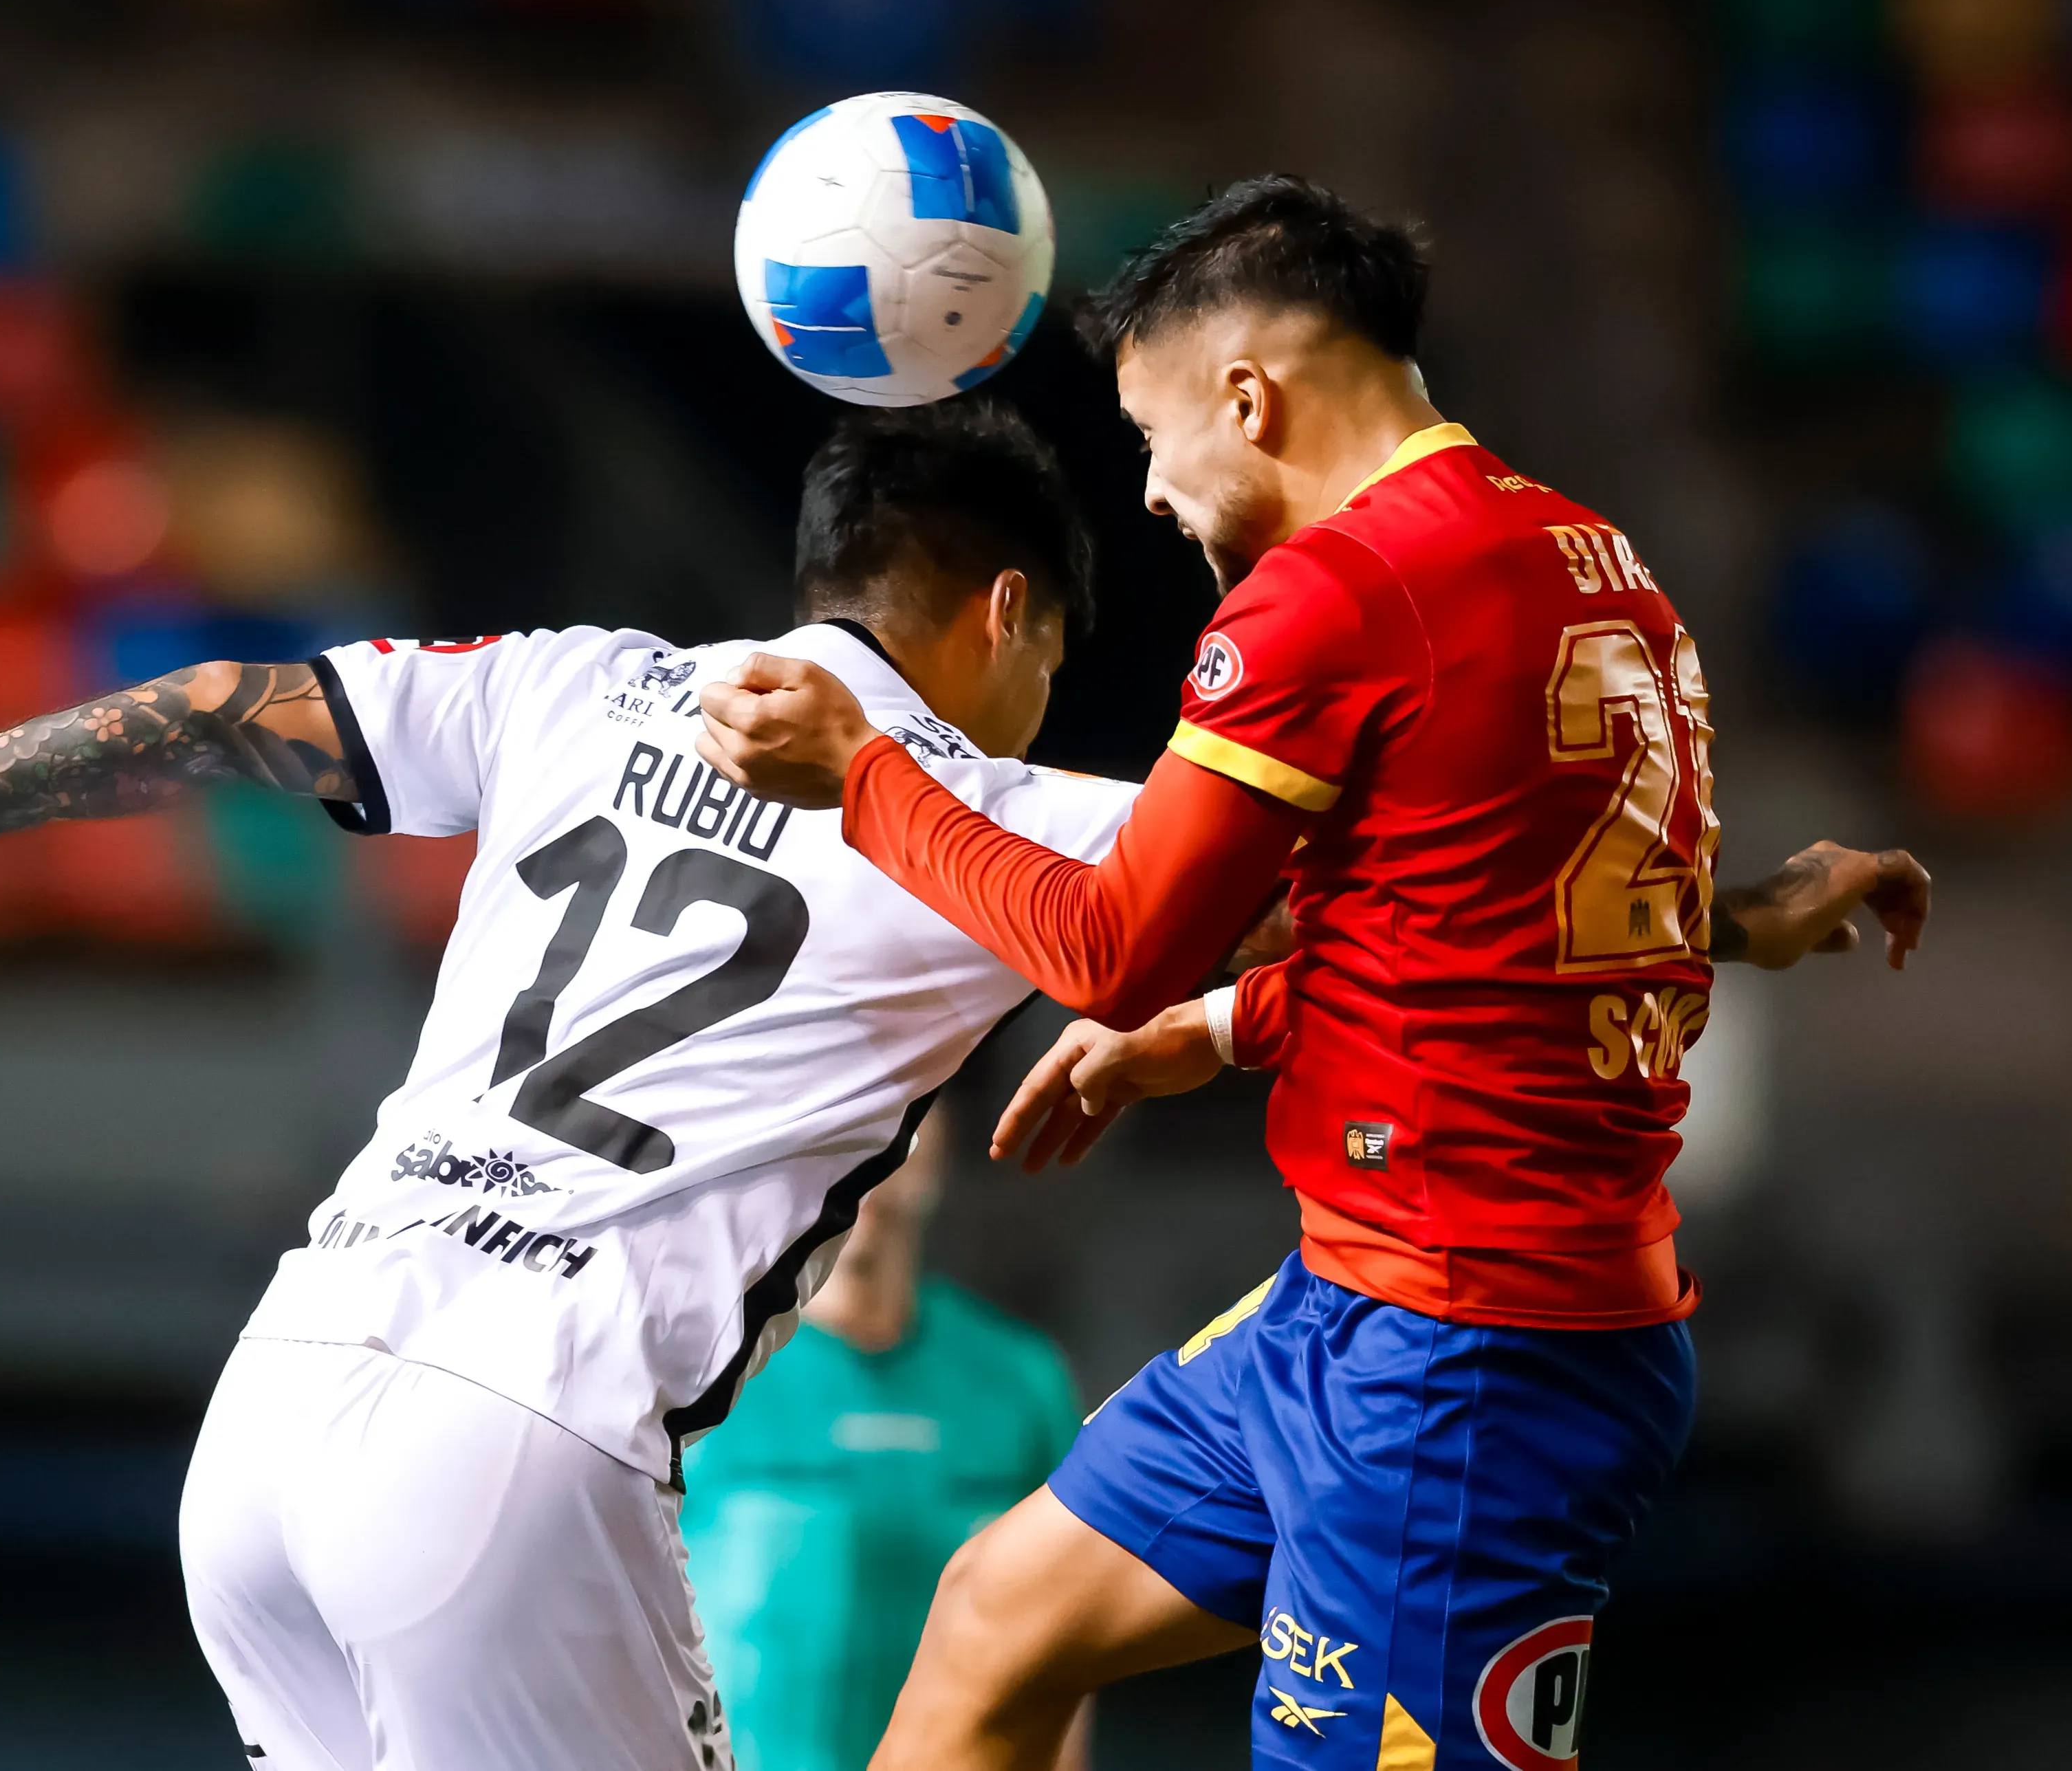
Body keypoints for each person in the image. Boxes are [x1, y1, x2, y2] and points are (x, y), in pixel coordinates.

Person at [0, 399, 1151, 1771]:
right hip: (527, 1443)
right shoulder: (1004, 813)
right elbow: (1317, 879)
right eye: (1051, 662)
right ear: (1008, 614)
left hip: (277, 1398)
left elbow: (223, 703)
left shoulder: (575, 680)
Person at [695, 177, 1933, 1770]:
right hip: (1354, 1301)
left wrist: (864, 768)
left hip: (1468, 1358)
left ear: (1247, 395)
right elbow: (1503, 922)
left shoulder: (1335, 595)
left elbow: (1105, 946)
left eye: (1147, 442)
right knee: (1001, 1615)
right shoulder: (1589, 557)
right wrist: (1221, 1029)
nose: (1147, 496)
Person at [682, 1103, 1092, 1771]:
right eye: (841, 1116)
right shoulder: (694, 1374)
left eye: (902, 1108)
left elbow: (1068, 1633)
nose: (866, 1147)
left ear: (941, 1146)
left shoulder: (1020, 1379)